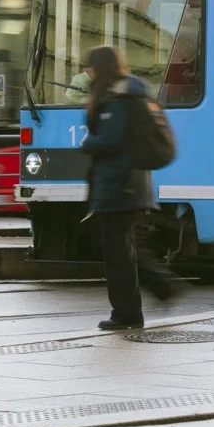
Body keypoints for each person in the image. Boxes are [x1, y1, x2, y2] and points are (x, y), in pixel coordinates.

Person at [79, 45, 183, 330]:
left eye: (90, 66)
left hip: (119, 186)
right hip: (127, 184)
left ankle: (128, 312)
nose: (87, 72)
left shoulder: (119, 97)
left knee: (118, 255)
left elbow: (111, 140)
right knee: (124, 251)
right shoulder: (125, 93)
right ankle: (149, 296)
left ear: (100, 67)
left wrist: (87, 143)